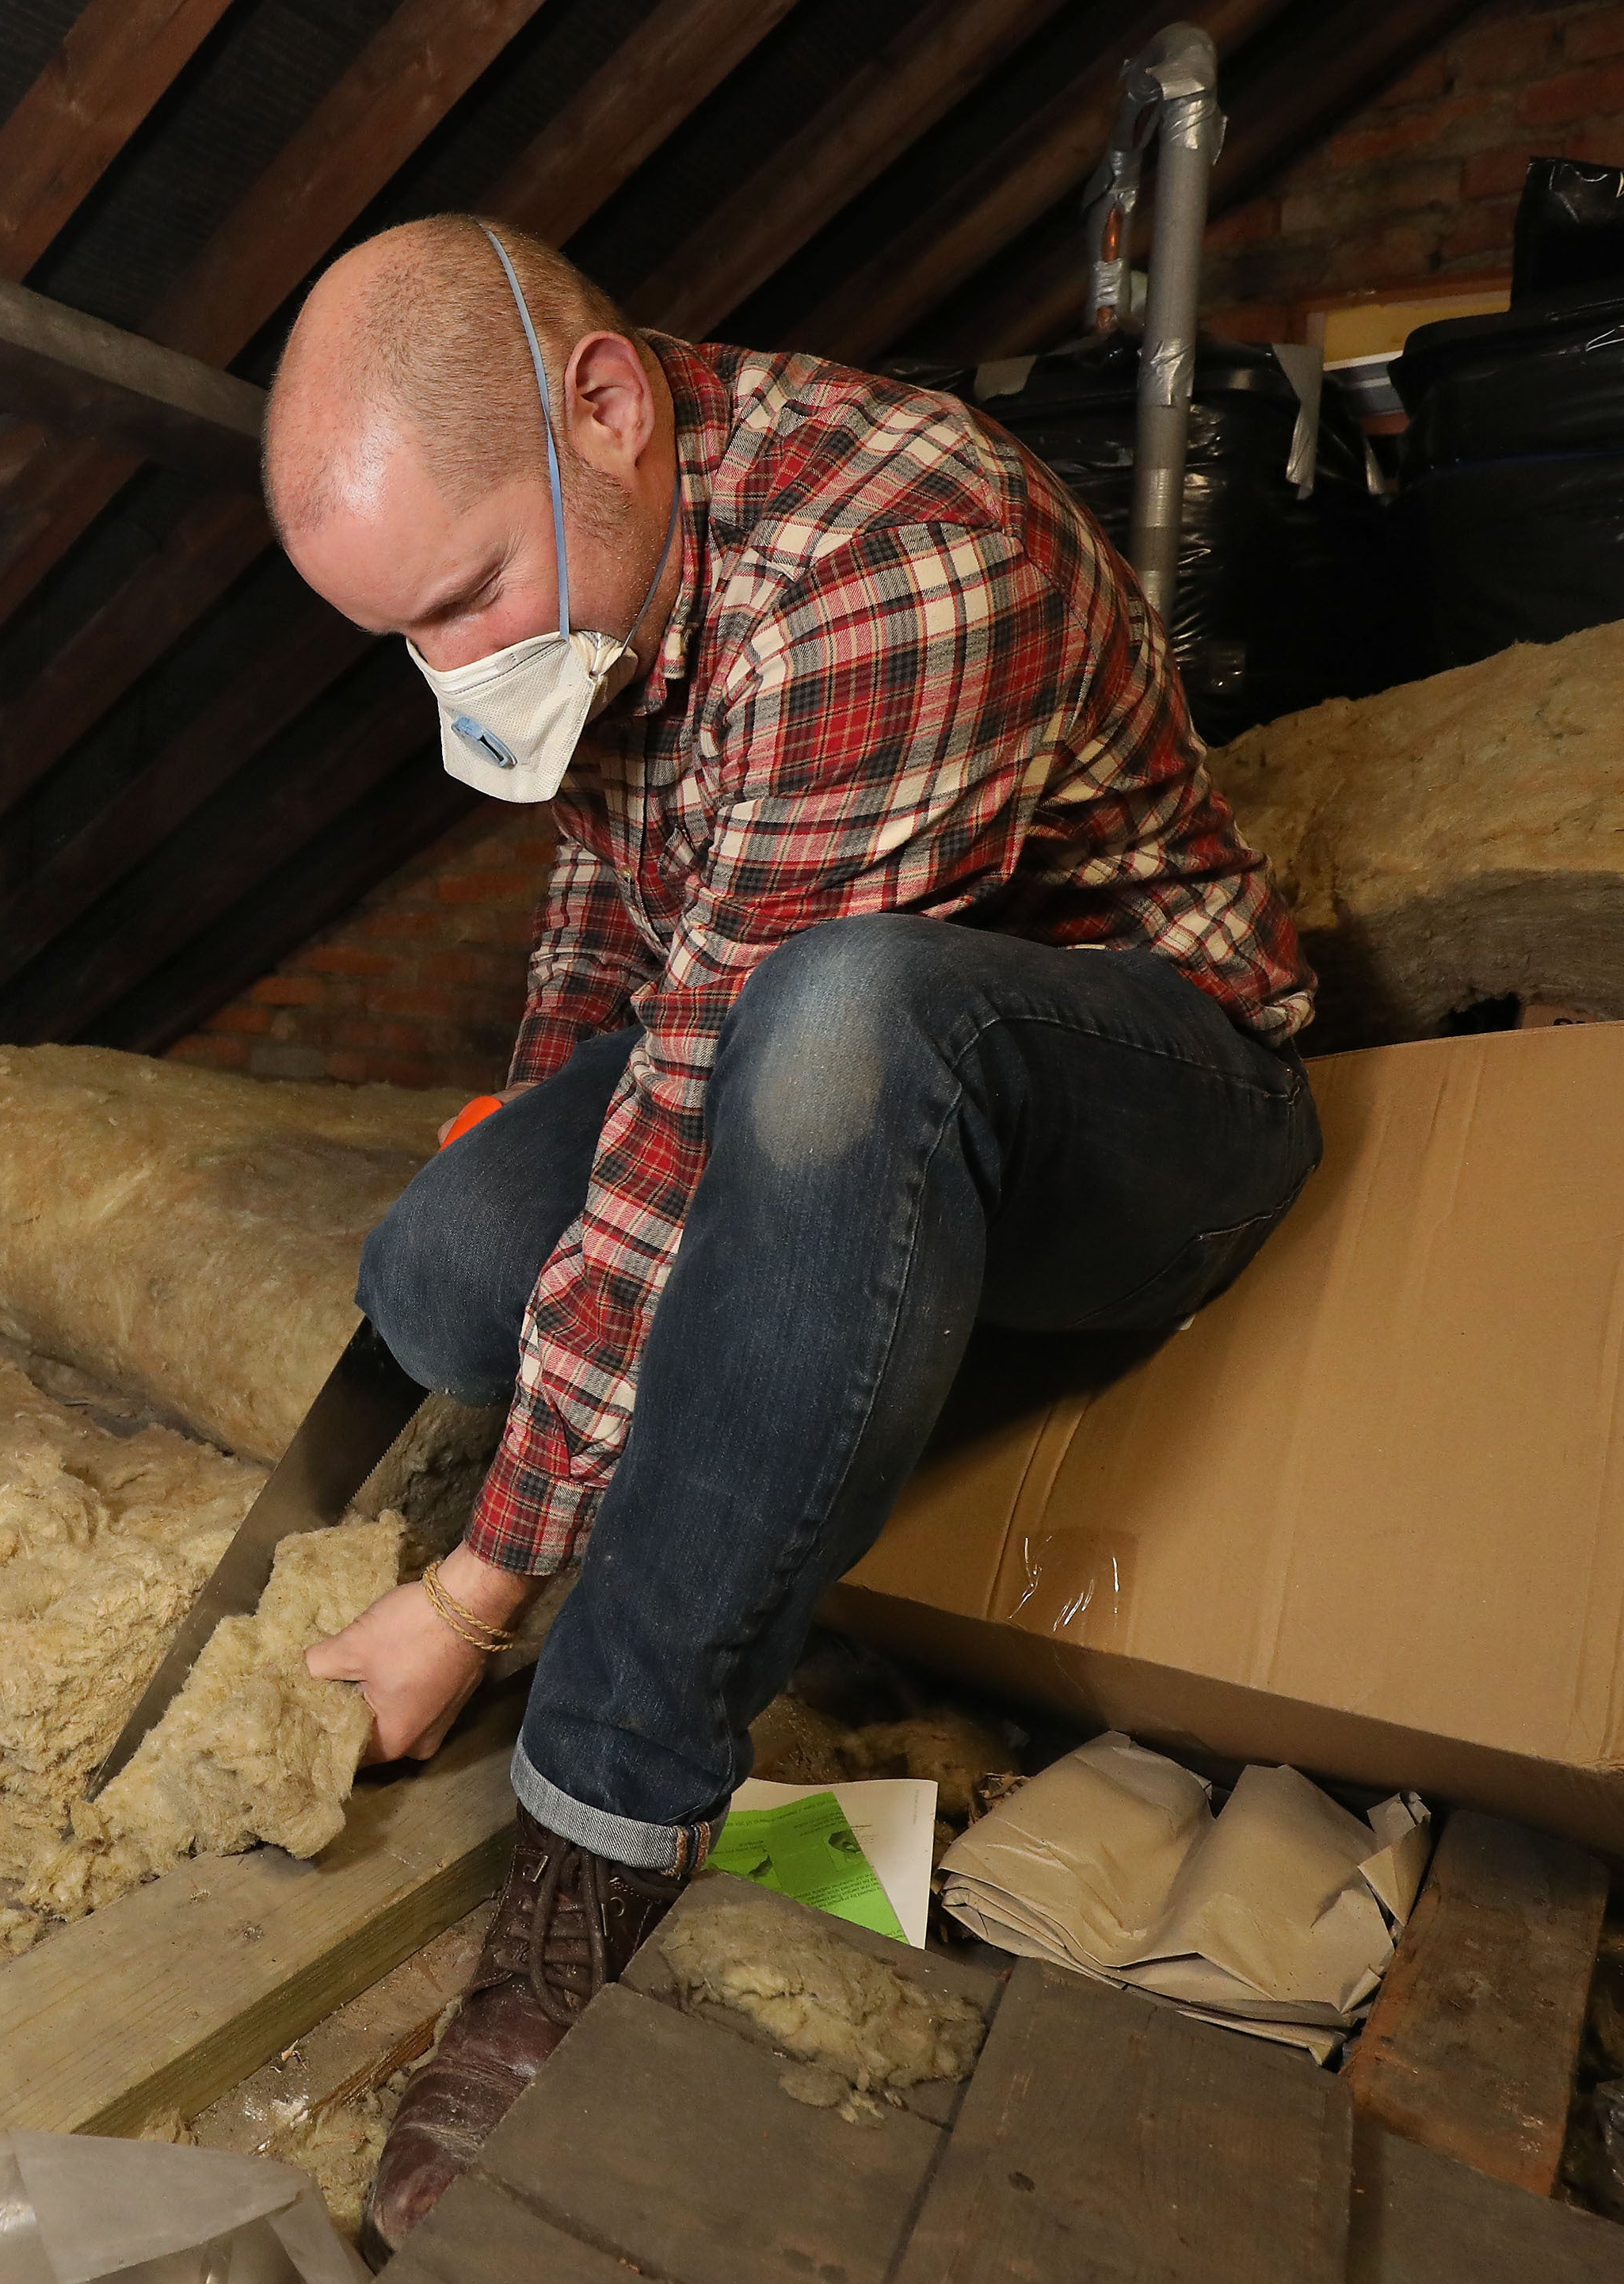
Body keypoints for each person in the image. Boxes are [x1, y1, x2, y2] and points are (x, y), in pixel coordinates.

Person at [265, 215, 1323, 2254]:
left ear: (604, 406)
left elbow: (699, 1114)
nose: (457, 669)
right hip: (793, 1068)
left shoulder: (888, 557)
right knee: (441, 1262)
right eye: (404, 635)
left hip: (1132, 1099)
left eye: (472, 594)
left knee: (835, 1018)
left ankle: (602, 1832)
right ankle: (816, 1355)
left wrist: (481, 1587)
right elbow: (615, 914)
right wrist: (522, 1113)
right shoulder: (598, 558)